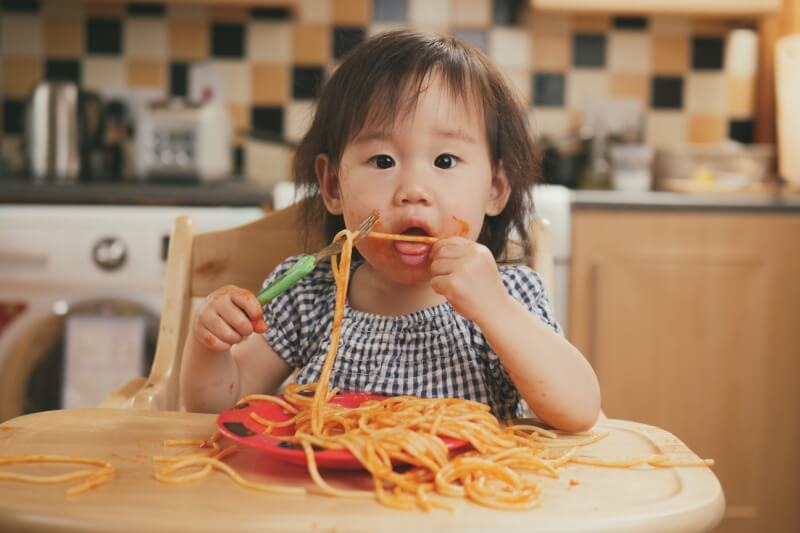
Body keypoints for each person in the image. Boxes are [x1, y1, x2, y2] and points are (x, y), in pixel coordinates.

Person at [180, 30, 600, 432]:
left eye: (445, 161)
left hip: (462, 499)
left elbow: (578, 410)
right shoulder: (309, 296)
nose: (413, 191)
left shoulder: (509, 296)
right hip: (324, 497)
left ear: (494, 190)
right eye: (382, 161)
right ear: (332, 187)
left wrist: (494, 310)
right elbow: (212, 408)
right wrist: (210, 346)